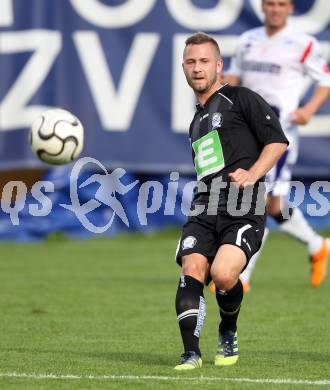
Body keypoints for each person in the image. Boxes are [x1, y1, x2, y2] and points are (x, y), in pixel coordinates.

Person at [174, 32, 288, 370]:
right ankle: (190, 353)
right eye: (191, 62)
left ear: (219, 66)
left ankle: (228, 328)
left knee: (223, 275)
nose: (198, 68)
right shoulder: (195, 122)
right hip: (205, 207)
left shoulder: (241, 98)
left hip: (244, 205)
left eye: (204, 61)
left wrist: (252, 174)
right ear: (184, 68)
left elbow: (277, 142)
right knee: (191, 267)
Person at [215, 0, 330, 293]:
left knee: (260, 201)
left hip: (278, 133)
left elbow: (325, 80)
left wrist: (309, 109)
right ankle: (318, 246)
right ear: (262, 7)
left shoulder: (302, 43)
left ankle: (241, 273)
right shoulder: (247, 40)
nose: (275, 9)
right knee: (275, 205)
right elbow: (235, 77)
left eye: (281, 4)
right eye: (270, 3)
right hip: (247, 129)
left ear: (290, 8)